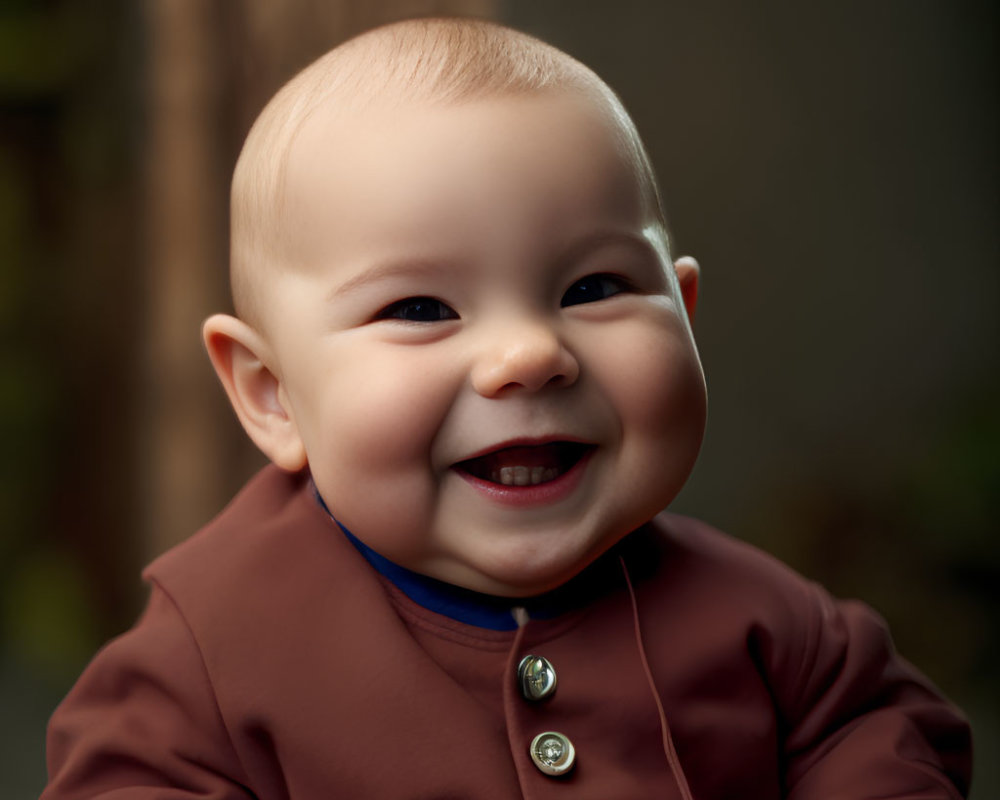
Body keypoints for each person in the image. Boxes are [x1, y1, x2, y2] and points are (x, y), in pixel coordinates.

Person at [42, 17, 971, 799]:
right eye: (420, 310)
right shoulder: (211, 656)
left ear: (684, 318)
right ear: (272, 393)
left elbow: (887, 732)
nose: (529, 355)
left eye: (594, 288)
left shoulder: (763, 622)